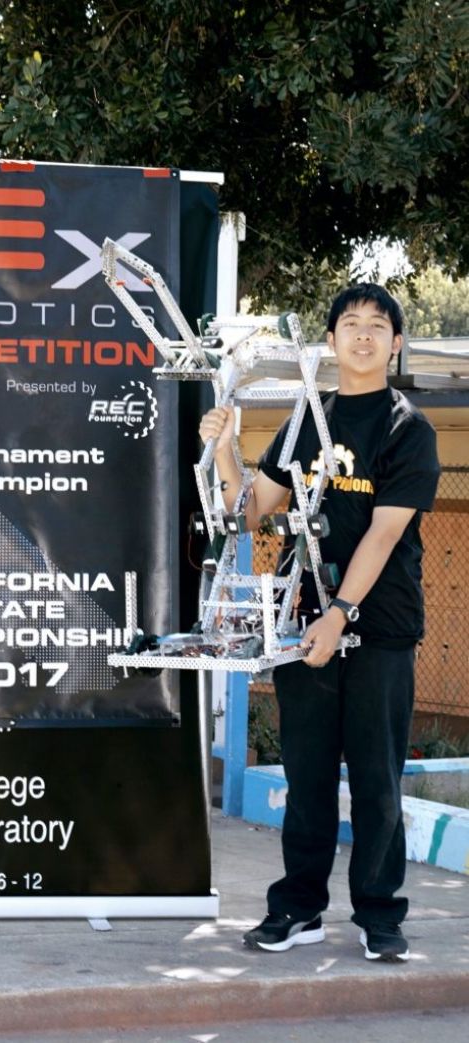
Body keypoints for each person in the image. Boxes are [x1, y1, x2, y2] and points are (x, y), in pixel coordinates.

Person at [199, 284, 440, 963]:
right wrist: (226, 450)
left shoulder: (408, 429)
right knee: (305, 777)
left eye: (377, 326)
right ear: (330, 340)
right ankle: (297, 908)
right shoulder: (307, 416)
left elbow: (385, 534)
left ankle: (379, 914)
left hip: (380, 627)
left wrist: (341, 613)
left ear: (395, 343)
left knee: (376, 780)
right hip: (301, 624)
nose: (363, 335)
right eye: (350, 323)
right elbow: (252, 511)